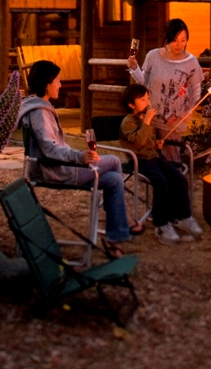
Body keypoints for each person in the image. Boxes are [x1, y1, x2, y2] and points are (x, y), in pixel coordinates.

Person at [16, 60, 141, 256]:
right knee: (115, 161)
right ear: (46, 83)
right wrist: (79, 156)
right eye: (57, 80)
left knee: (114, 180)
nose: (60, 84)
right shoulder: (40, 112)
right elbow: (50, 149)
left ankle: (116, 234)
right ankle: (120, 223)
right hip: (54, 170)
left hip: (54, 167)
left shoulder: (36, 106)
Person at [119, 84, 203, 245]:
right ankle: (162, 223)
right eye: (142, 99)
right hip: (138, 161)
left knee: (178, 178)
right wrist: (148, 122)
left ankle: (182, 216)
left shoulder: (145, 119)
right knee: (160, 182)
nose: (147, 102)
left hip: (153, 158)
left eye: (148, 98)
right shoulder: (128, 122)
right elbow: (138, 141)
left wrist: (156, 144)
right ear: (131, 104)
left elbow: (147, 142)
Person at [128, 19, 205, 163]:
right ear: (167, 39)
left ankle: (173, 185)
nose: (180, 45)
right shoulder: (153, 56)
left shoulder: (191, 62)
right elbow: (144, 81)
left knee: (171, 160)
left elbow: (196, 90)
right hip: (150, 116)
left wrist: (188, 109)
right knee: (150, 159)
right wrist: (134, 68)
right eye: (175, 40)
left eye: (183, 40)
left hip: (172, 120)